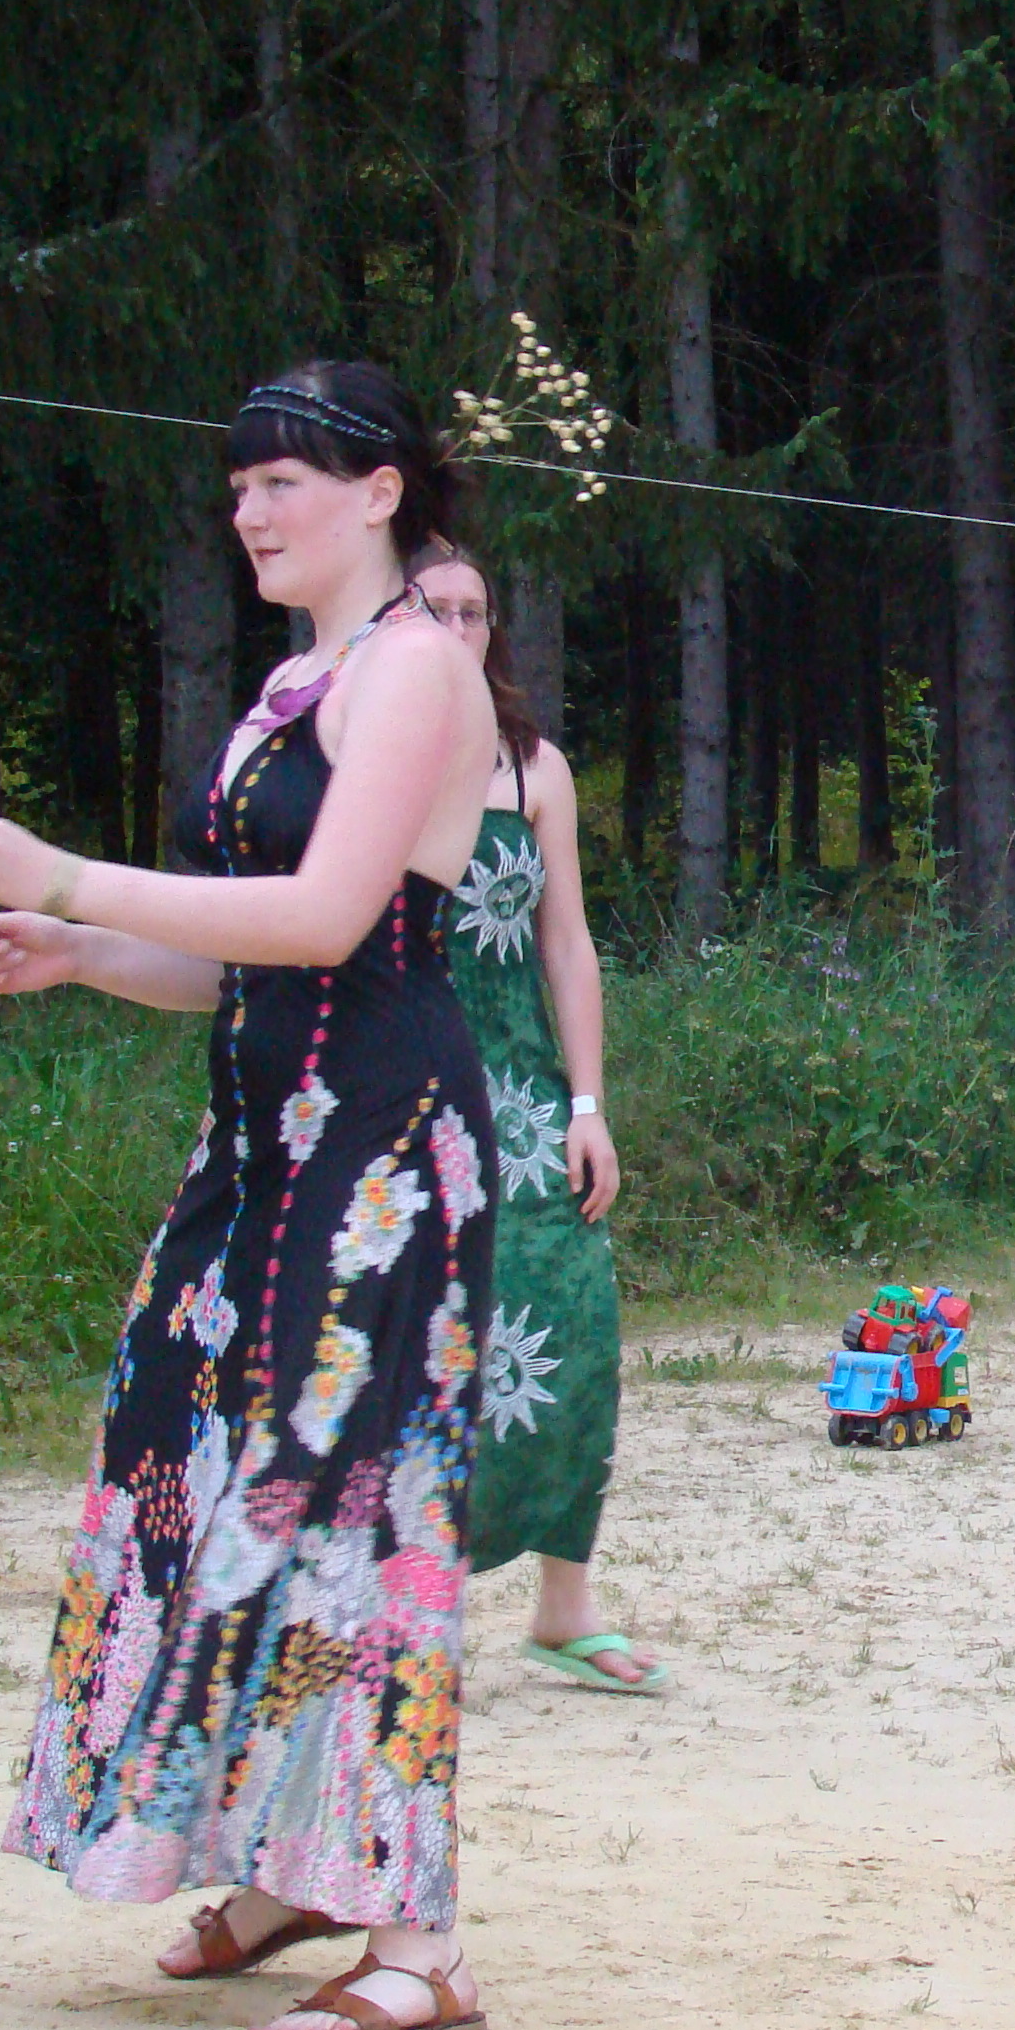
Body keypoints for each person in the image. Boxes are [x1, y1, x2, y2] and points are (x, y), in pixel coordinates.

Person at [0, 362, 503, 2030]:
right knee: (203, 1474)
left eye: (282, 481)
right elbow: (241, 954)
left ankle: (419, 1940)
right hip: (261, 1149)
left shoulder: (416, 664)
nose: (249, 510)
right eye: (237, 485)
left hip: (379, 1154)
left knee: (355, 1511)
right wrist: (84, 948)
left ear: (380, 492)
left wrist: (63, 870)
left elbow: (326, 920)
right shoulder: (301, 678)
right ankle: (285, 1865)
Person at [409, 544, 663, 1693]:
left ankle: (564, 1607)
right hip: (404, 1090)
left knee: (570, 1320)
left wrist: (588, 1104)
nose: (460, 629)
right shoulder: (361, 756)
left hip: (520, 1098)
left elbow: (567, 944)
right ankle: (408, 1606)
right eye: (436, 609)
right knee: (415, 1343)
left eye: (476, 612)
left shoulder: (534, 768)